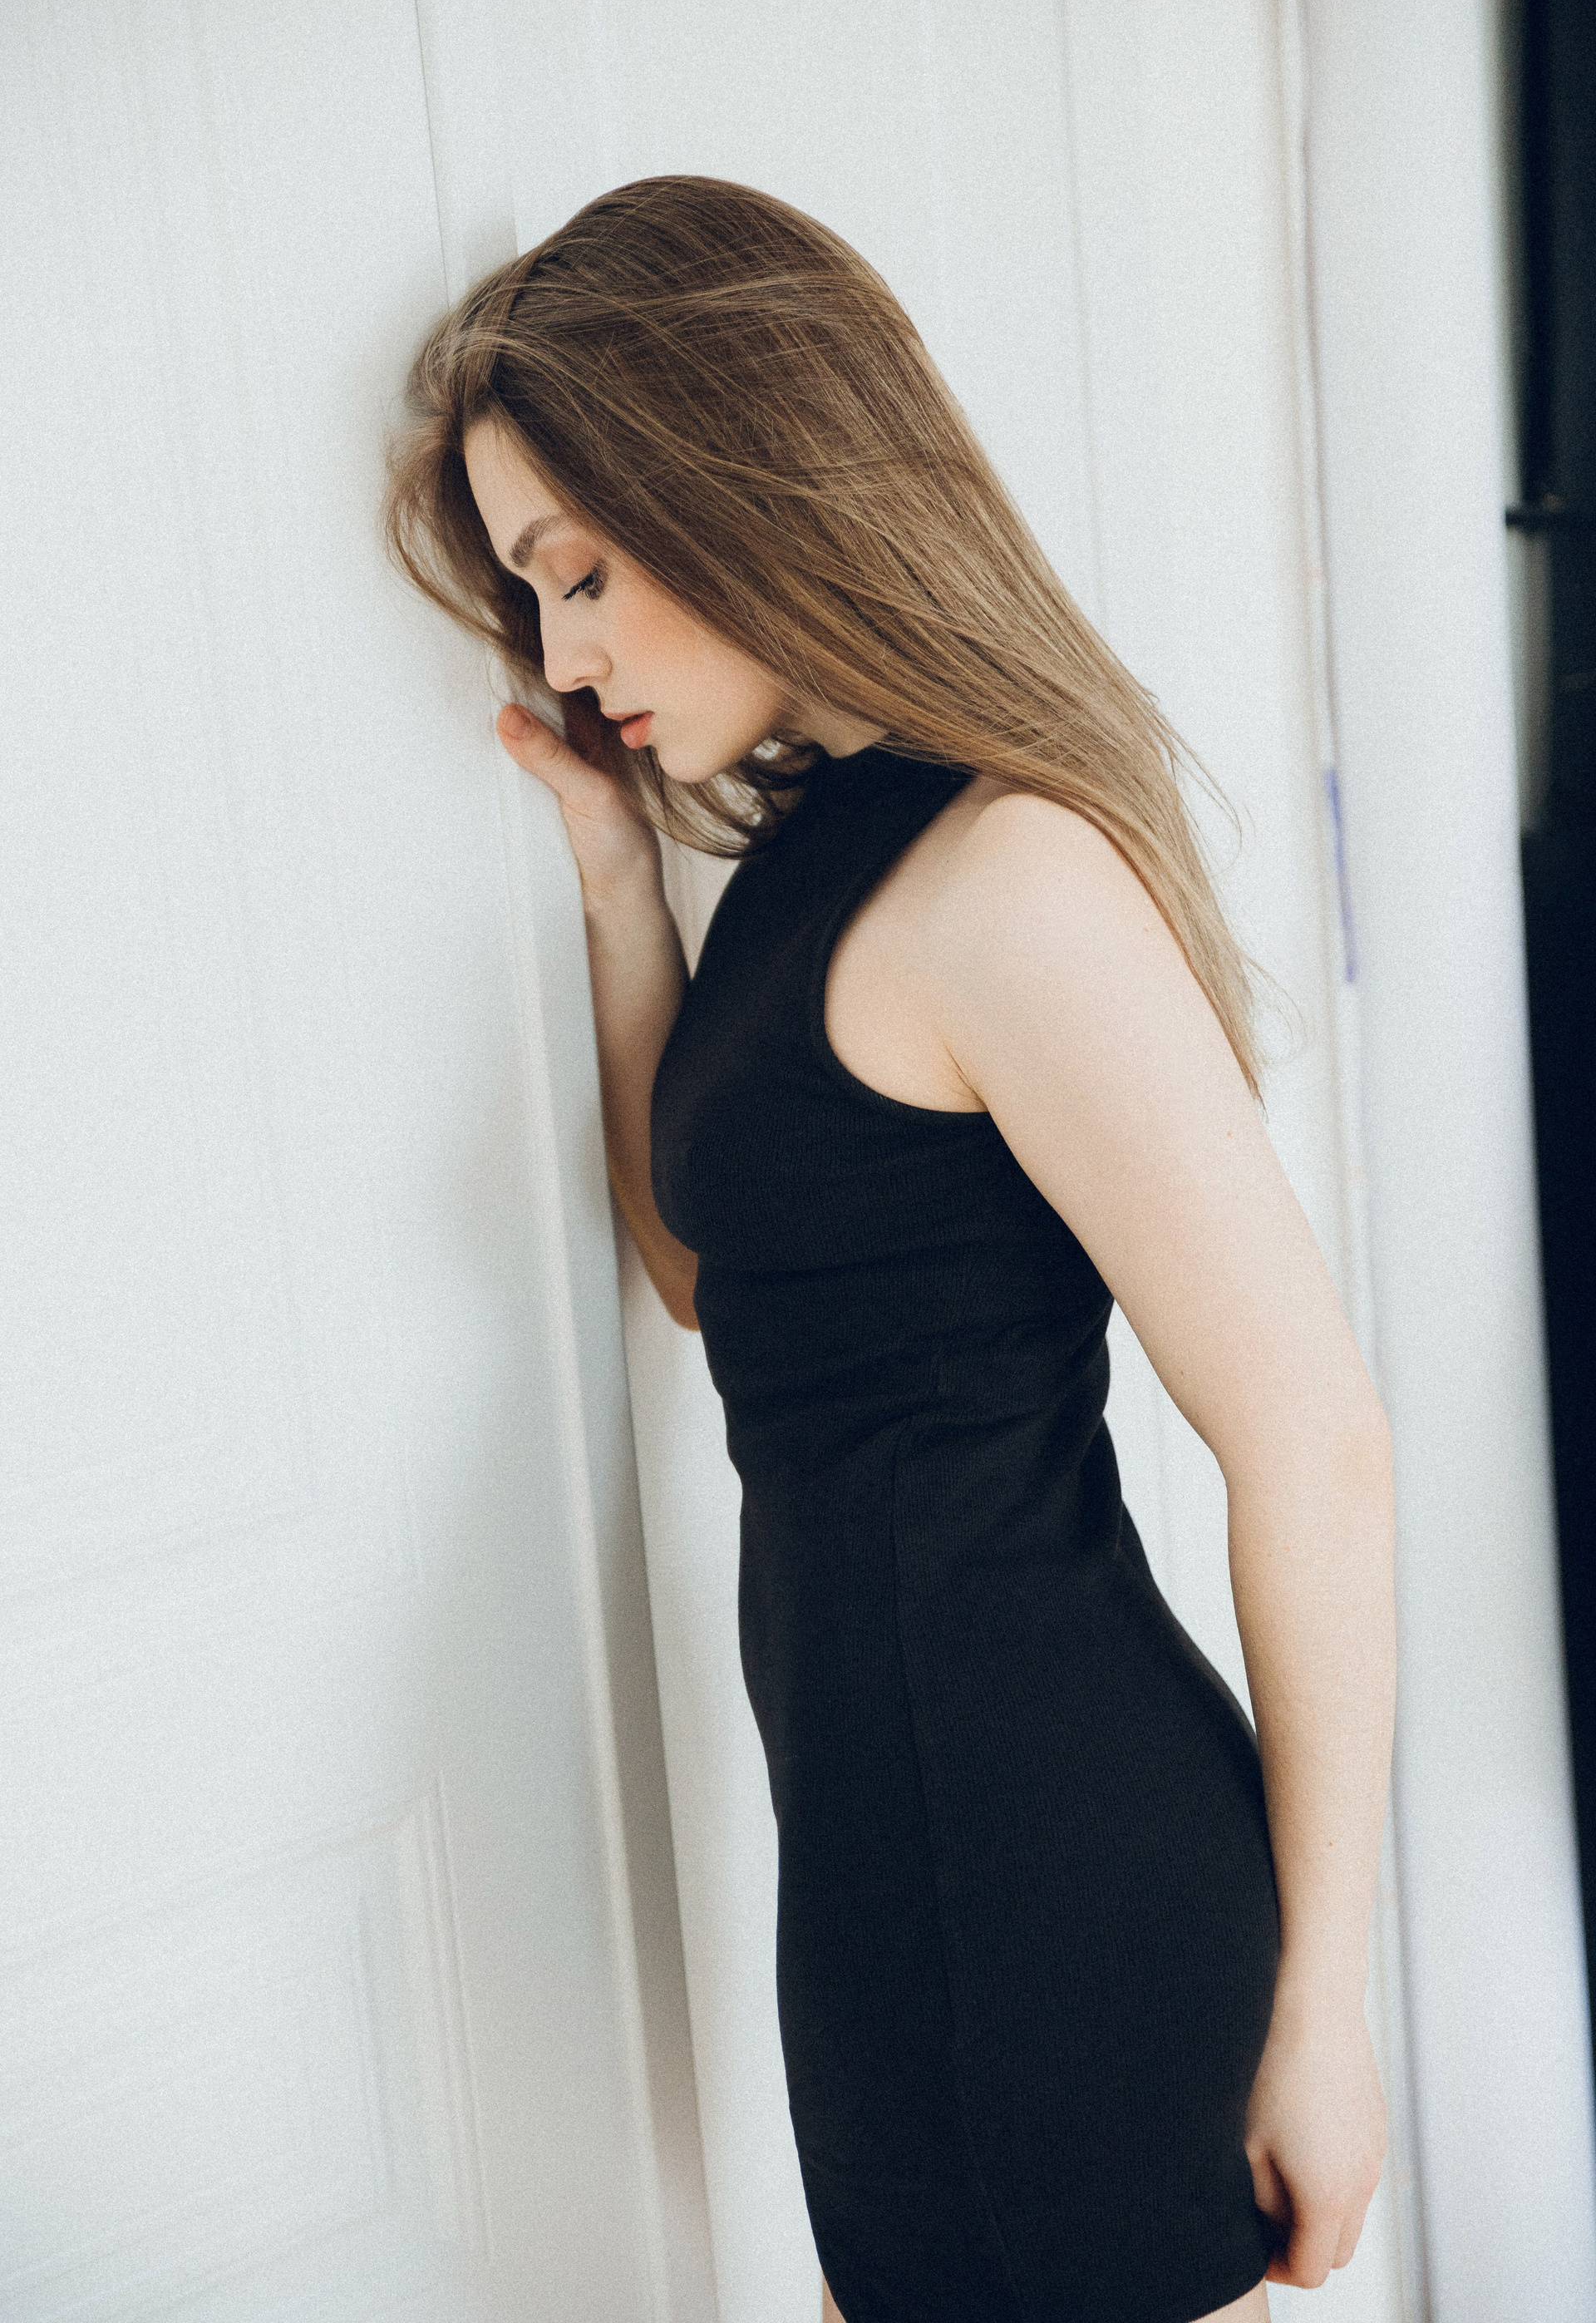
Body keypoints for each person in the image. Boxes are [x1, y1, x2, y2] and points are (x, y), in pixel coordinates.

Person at [382, 175, 1395, 2323]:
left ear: (744, 474)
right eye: (532, 596)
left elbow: (1312, 1439)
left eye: (584, 572)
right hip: (877, 1900)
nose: (563, 655)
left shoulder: (1012, 881)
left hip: (1069, 1896)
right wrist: (618, 884)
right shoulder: (805, 872)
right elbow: (706, 1279)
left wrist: (1325, 2001)